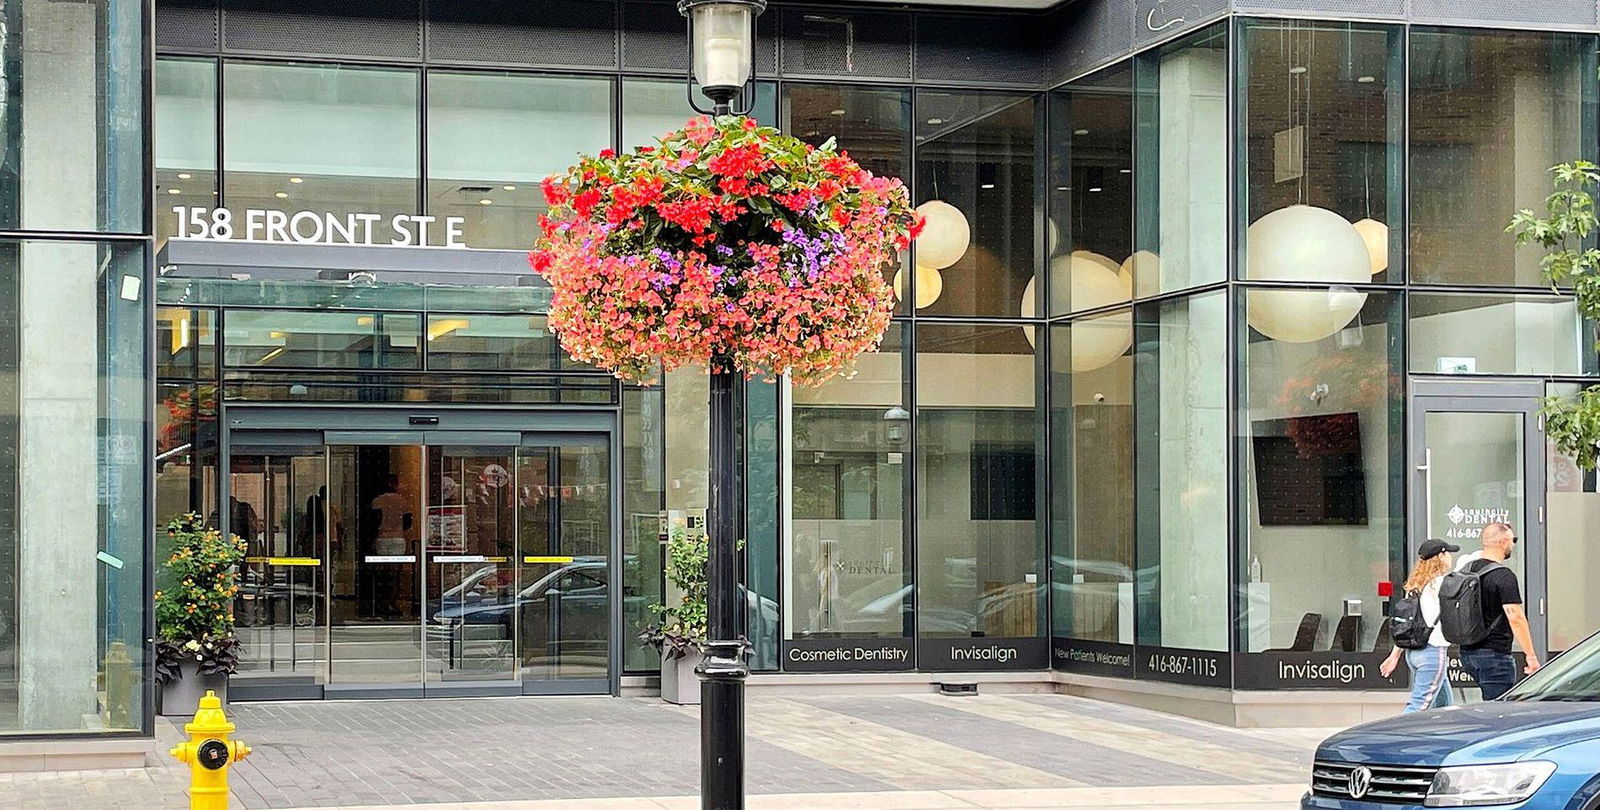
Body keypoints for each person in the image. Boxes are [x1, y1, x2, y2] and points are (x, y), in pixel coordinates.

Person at [1456, 522, 1540, 699]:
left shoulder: (1467, 571)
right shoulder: (1503, 575)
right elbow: (1515, 616)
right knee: (1498, 712)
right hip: (1494, 654)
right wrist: (1530, 655)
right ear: (1503, 541)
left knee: (1490, 705)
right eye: (1513, 540)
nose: (1513, 544)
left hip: (1467, 652)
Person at [1379, 539, 1459, 712]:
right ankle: (1398, 736)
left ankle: (1442, 736)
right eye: (1449, 553)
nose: (1451, 557)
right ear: (1441, 556)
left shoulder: (1415, 586)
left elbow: (1409, 624)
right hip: (1432, 653)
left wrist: (1395, 655)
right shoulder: (1443, 584)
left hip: (1414, 653)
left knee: (1444, 707)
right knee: (1418, 707)